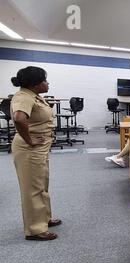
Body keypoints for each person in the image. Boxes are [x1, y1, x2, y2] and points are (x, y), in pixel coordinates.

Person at [10, 66, 61, 241]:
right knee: (32, 188)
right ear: (34, 84)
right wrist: (30, 140)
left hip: (40, 148)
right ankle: (35, 229)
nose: (47, 83)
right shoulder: (23, 96)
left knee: (41, 184)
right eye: (45, 80)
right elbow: (18, 118)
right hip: (29, 149)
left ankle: (44, 218)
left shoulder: (34, 96)